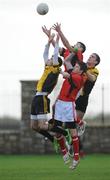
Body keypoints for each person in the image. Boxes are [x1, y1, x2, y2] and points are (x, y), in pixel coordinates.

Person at [30, 29, 71, 151]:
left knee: (42, 126)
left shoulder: (55, 70)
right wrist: (48, 42)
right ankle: (53, 139)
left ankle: (64, 133)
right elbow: (44, 54)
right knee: (34, 126)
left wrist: (57, 41)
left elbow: (54, 55)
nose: (48, 59)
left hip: (42, 97)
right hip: (36, 97)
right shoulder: (48, 68)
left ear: (56, 63)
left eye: (52, 59)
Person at [53, 61, 87, 170]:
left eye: (77, 67)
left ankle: (76, 157)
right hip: (60, 104)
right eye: (75, 66)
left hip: (68, 105)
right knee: (57, 130)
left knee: (73, 132)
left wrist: (59, 70)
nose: (75, 68)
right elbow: (66, 63)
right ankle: (64, 152)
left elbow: (66, 74)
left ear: (81, 70)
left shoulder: (78, 78)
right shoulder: (73, 74)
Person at [75, 53, 101, 156]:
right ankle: (77, 149)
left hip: (82, 99)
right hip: (73, 96)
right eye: (90, 56)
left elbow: (92, 79)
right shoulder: (82, 66)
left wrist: (84, 68)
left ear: (96, 62)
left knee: (74, 126)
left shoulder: (94, 71)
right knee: (70, 124)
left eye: (93, 57)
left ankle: (78, 150)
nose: (90, 57)